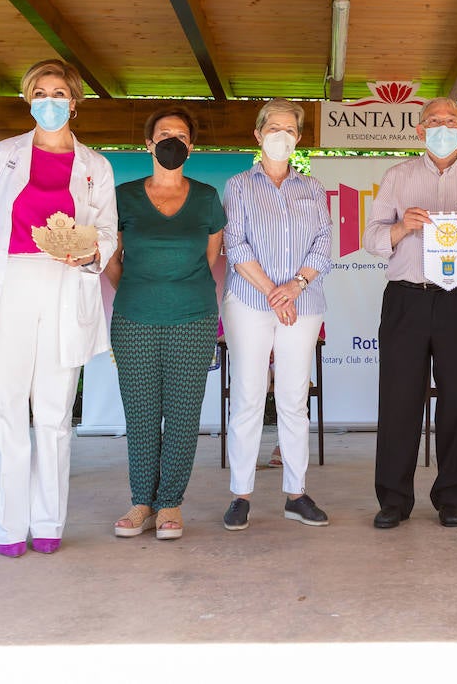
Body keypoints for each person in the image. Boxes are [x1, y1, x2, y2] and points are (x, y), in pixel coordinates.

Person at [0, 59, 116, 558]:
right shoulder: (4, 155)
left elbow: (109, 231)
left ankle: (49, 521)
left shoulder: (96, 166)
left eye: (59, 93)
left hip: (64, 283)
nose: (49, 101)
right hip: (9, 284)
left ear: (74, 101)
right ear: (29, 100)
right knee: (6, 409)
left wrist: (92, 251)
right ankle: (9, 527)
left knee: (53, 412)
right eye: (40, 92)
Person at [363, 97, 457, 529]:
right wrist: (402, 226)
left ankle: (452, 497)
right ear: (420, 130)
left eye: (451, 121)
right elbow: (370, 238)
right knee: (399, 399)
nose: (443, 127)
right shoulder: (397, 176)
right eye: (434, 121)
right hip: (406, 297)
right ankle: (393, 499)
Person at [104, 107, 226, 540]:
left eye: (180, 134)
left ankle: (170, 503)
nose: (172, 140)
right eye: (164, 134)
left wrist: (176, 286)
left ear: (190, 147)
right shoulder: (123, 196)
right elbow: (112, 260)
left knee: (182, 414)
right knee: (140, 413)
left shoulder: (208, 197)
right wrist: (142, 288)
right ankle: (141, 503)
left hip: (193, 317)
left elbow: (208, 258)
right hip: (134, 316)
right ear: (149, 144)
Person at [220, 99, 333, 531]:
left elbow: (323, 245)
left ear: (299, 138)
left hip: (302, 304)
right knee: (248, 396)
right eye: (273, 127)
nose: (281, 135)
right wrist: (273, 292)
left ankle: (296, 494)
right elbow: (236, 244)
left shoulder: (313, 188)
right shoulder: (239, 186)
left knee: (292, 399)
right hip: (251, 302)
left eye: (289, 128)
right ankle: (241, 495)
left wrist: (295, 286)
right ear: (258, 134)